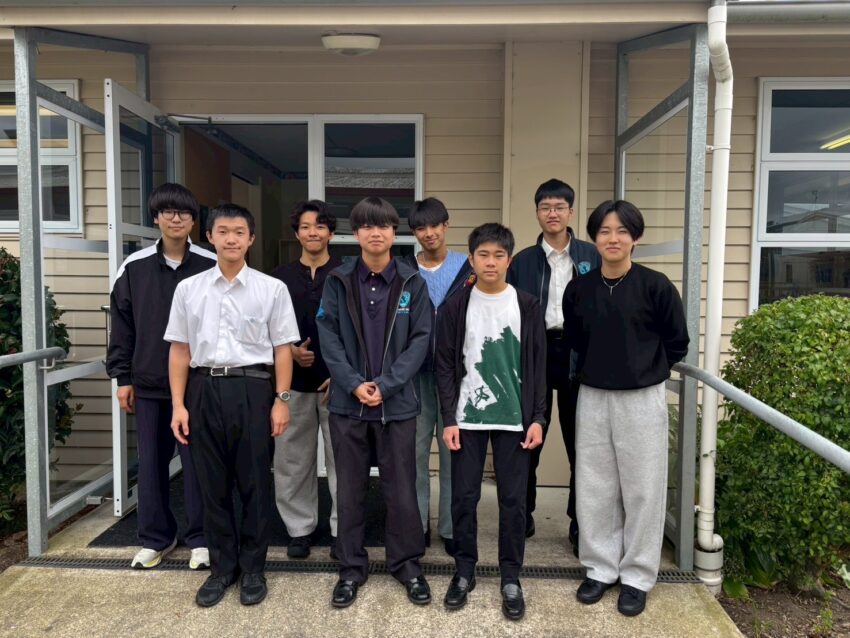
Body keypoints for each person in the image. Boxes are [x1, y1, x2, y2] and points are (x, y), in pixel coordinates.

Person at [165, 203, 301, 608]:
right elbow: (179, 350)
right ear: (209, 236)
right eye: (222, 231)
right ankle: (222, 569)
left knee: (255, 482)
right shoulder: (189, 289)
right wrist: (178, 405)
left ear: (251, 238)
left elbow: (283, 350)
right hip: (203, 389)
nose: (231, 239)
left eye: (239, 232)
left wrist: (282, 400)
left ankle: (254, 568)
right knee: (212, 485)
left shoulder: (271, 289)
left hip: (253, 389)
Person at [563, 200, 689, 617]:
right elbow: (576, 339)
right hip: (593, 396)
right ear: (593, 238)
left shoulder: (656, 286)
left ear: (636, 237)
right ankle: (600, 567)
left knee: (642, 488)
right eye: (604, 231)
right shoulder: (579, 289)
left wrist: (645, 369)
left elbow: (677, 342)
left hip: (642, 398)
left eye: (621, 231)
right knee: (595, 486)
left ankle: (637, 575)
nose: (613, 238)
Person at [316, 196, 433, 609]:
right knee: (349, 492)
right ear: (356, 233)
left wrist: (387, 384)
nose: (376, 232)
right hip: (348, 407)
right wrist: (352, 384)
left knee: (401, 491)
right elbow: (328, 336)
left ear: (394, 231)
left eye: (383, 225)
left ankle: (407, 565)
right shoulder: (338, 280)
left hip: (396, 406)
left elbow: (421, 339)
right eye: (367, 226)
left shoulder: (412, 281)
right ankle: (351, 568)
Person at [435, 223, 546, 621]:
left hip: (515, 418)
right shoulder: (456, 306)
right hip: (467, 417)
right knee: (464, 497)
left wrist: (538, 418)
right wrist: (449, 418)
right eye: (483, 254)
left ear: (509, 260)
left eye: (499, 255)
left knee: (513, 500)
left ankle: (510, 577)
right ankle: (464, 570)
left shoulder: (526, 305)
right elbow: (445, 366)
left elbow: (538, 365)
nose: (491, 262)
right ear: (471, 259)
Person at [106, 183, 215, 571]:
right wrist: (122, 378)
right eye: (168, 211)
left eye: (184, 212)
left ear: (193, 220)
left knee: (199, 465)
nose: (176, 219)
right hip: (150, 383)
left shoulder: (210, 264)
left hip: (199, 384)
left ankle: (201, 538)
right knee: (151, 465)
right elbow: (121, 326)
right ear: (156, 218)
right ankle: (156, 538)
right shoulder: (133, 267)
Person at [507, 178, 600, 552]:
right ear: (537, 213)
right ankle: (523, 515)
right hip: (536, 352)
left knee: (582, 442)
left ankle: (580, 522)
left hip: (580, 354)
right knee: (528, 439)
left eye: (559, 207)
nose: (552, 213)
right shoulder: (522, 262)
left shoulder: (591, 256)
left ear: (571, 212)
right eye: (545, 207)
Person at [270, 200, 342, 560]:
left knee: (342, 460)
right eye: (305, 226)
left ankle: (343, 529)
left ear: (331, 232)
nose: (313, 232)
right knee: (292, 459)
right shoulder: (278, 277)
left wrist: (343, 373)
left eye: (320, 226)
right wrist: (290, 351)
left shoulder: (346, 273)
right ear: (296, 233)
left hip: (338, 383)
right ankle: (299, 529)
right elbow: (265, 326)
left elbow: (361, 330)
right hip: (292, 382)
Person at [405, 197, 474, 556]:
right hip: (413, 376)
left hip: (456, 376)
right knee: (414, 454)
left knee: (453, 454)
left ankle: (450, 527)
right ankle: (416, 526)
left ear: (446, 225)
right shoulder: (404, 269)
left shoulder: (468, 266)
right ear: (414, 233)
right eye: (421, 228)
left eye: (435, 225)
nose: (429, 233)